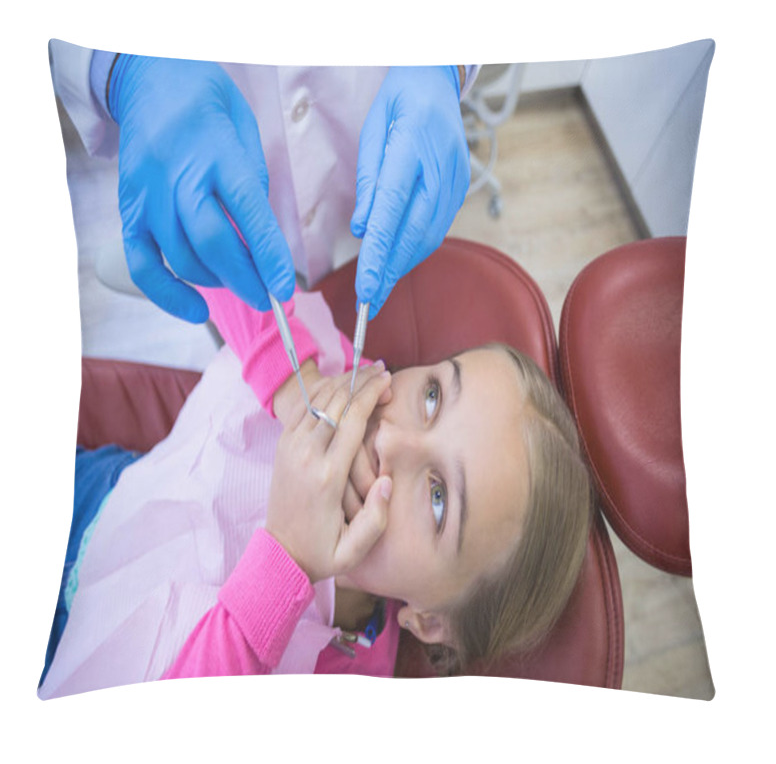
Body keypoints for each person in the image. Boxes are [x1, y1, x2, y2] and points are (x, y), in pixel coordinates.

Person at [38, 277, 593, 697]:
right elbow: (224, 251)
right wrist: (290, 379)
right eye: (431, 397)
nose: (390, 440)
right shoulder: (338, 373)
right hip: (92, 494)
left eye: (439, 498)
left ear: (429, 620)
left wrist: (286, 566)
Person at [49, 41, 477, 323]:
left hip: (378, 147)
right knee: (229, 277)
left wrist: (446, 54)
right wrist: (119, 63)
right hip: (207, 172)